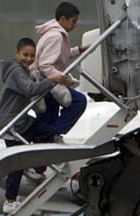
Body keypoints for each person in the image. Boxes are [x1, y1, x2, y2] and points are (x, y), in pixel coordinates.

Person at [0, 37, 71, 213]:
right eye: (25, 55)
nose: (29, 59)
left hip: (21, 119)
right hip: (11, 122)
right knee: (17, 161)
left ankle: (34, 169)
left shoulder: (24, 71)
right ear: (17, 54)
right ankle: (10, 200)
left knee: (47, 133)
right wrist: (53, 80)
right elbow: (29, 90)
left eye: (32, 56)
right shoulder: (16, 71)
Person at [31, 1, 89, 142]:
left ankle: (46, 140)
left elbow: (60, 55)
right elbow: (45, 64)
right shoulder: (56, 36)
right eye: (73, 21)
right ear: (63, 19)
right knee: (79, 101)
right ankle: (53, 135)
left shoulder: (52, 34)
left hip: (44, 83)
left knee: (47, 121)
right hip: (48, 85)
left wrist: (79, 50)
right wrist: (60, 79)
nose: (75, 25)